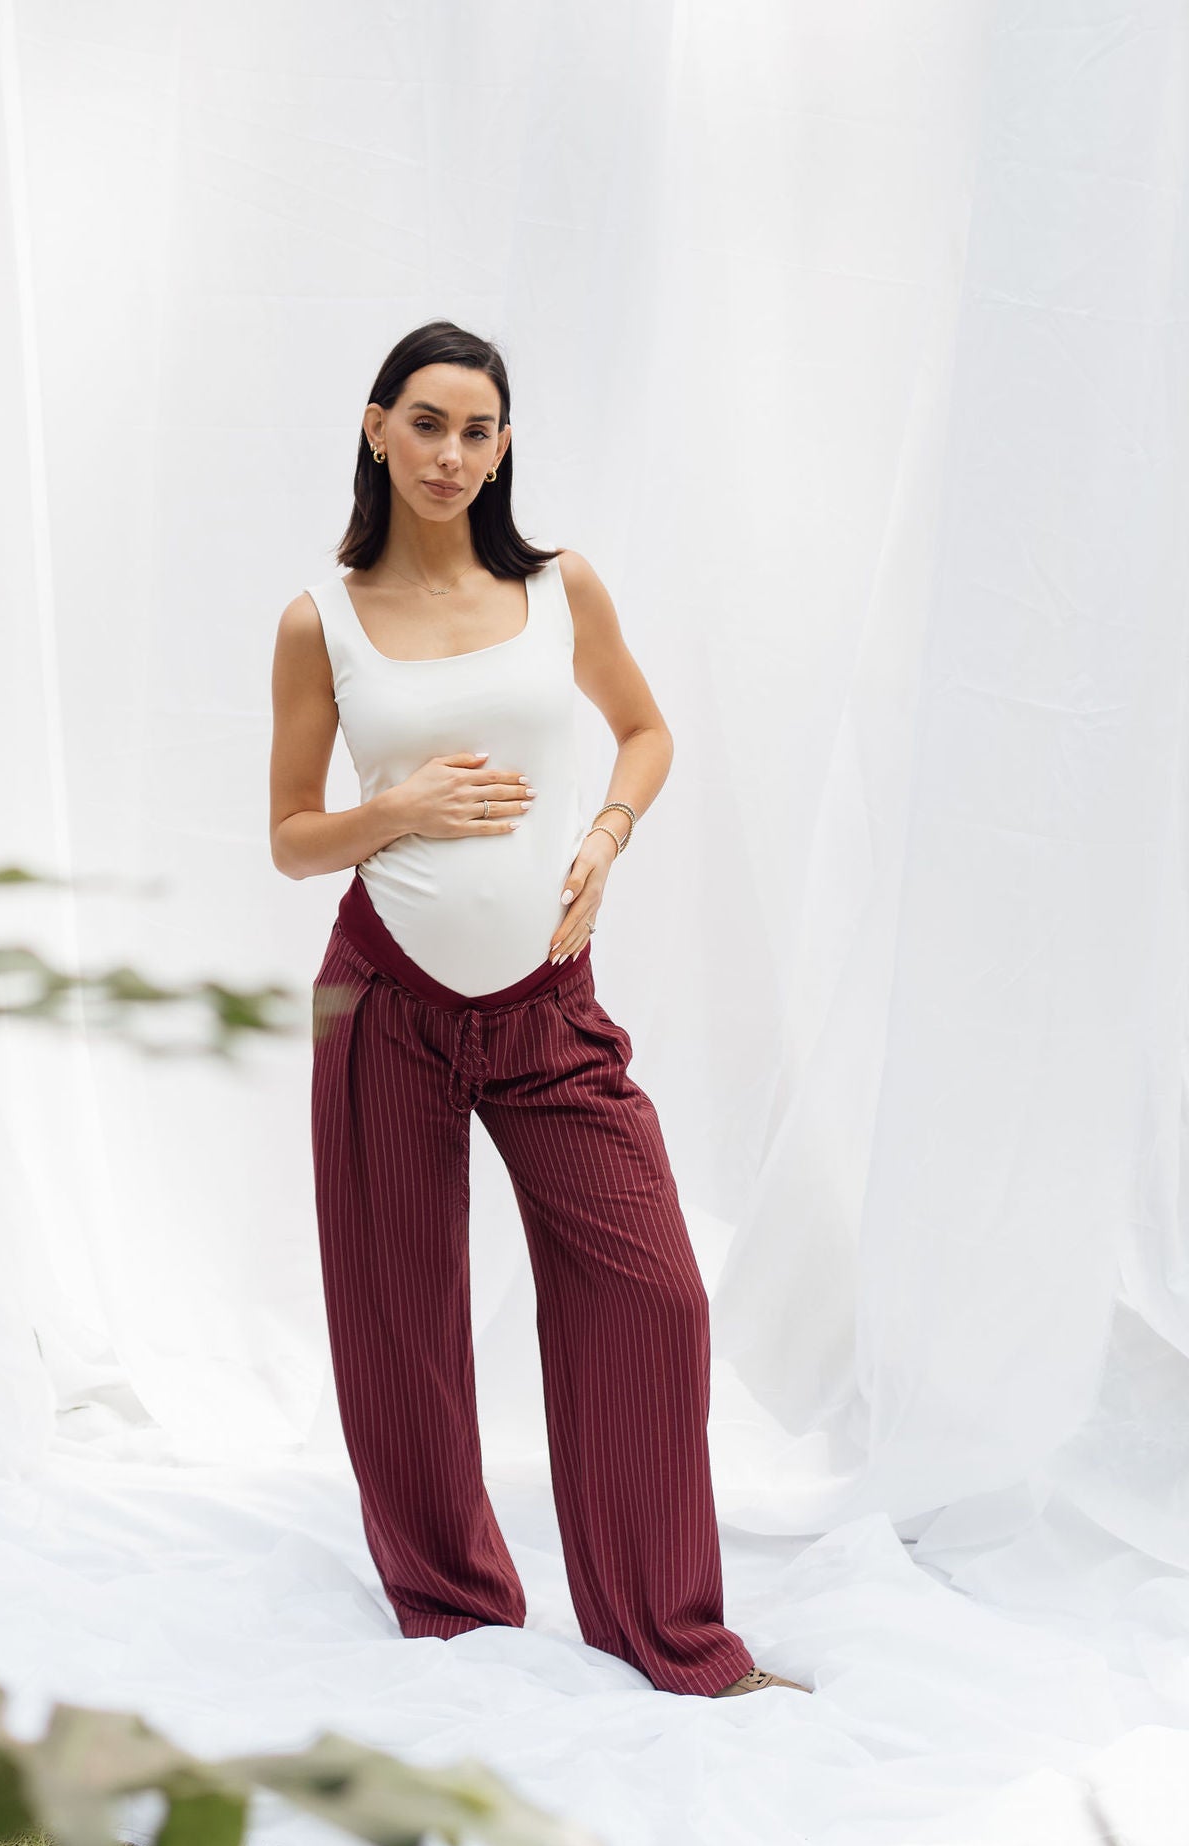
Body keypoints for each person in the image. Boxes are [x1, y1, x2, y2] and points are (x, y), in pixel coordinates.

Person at [269, 318, 805, 1700]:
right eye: (427, 423)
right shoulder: (321, 621)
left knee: (652, 1296)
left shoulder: (561, 586)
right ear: (377, 427)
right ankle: (456, 1614)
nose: (452, 454)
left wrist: (606, 838)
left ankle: (666, 1633)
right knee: (397, 1320)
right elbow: (290, 837)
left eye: (479, 431)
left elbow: (646, 730)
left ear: (503, 448)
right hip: (379, 998)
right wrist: (396, 808)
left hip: (547, 1004)